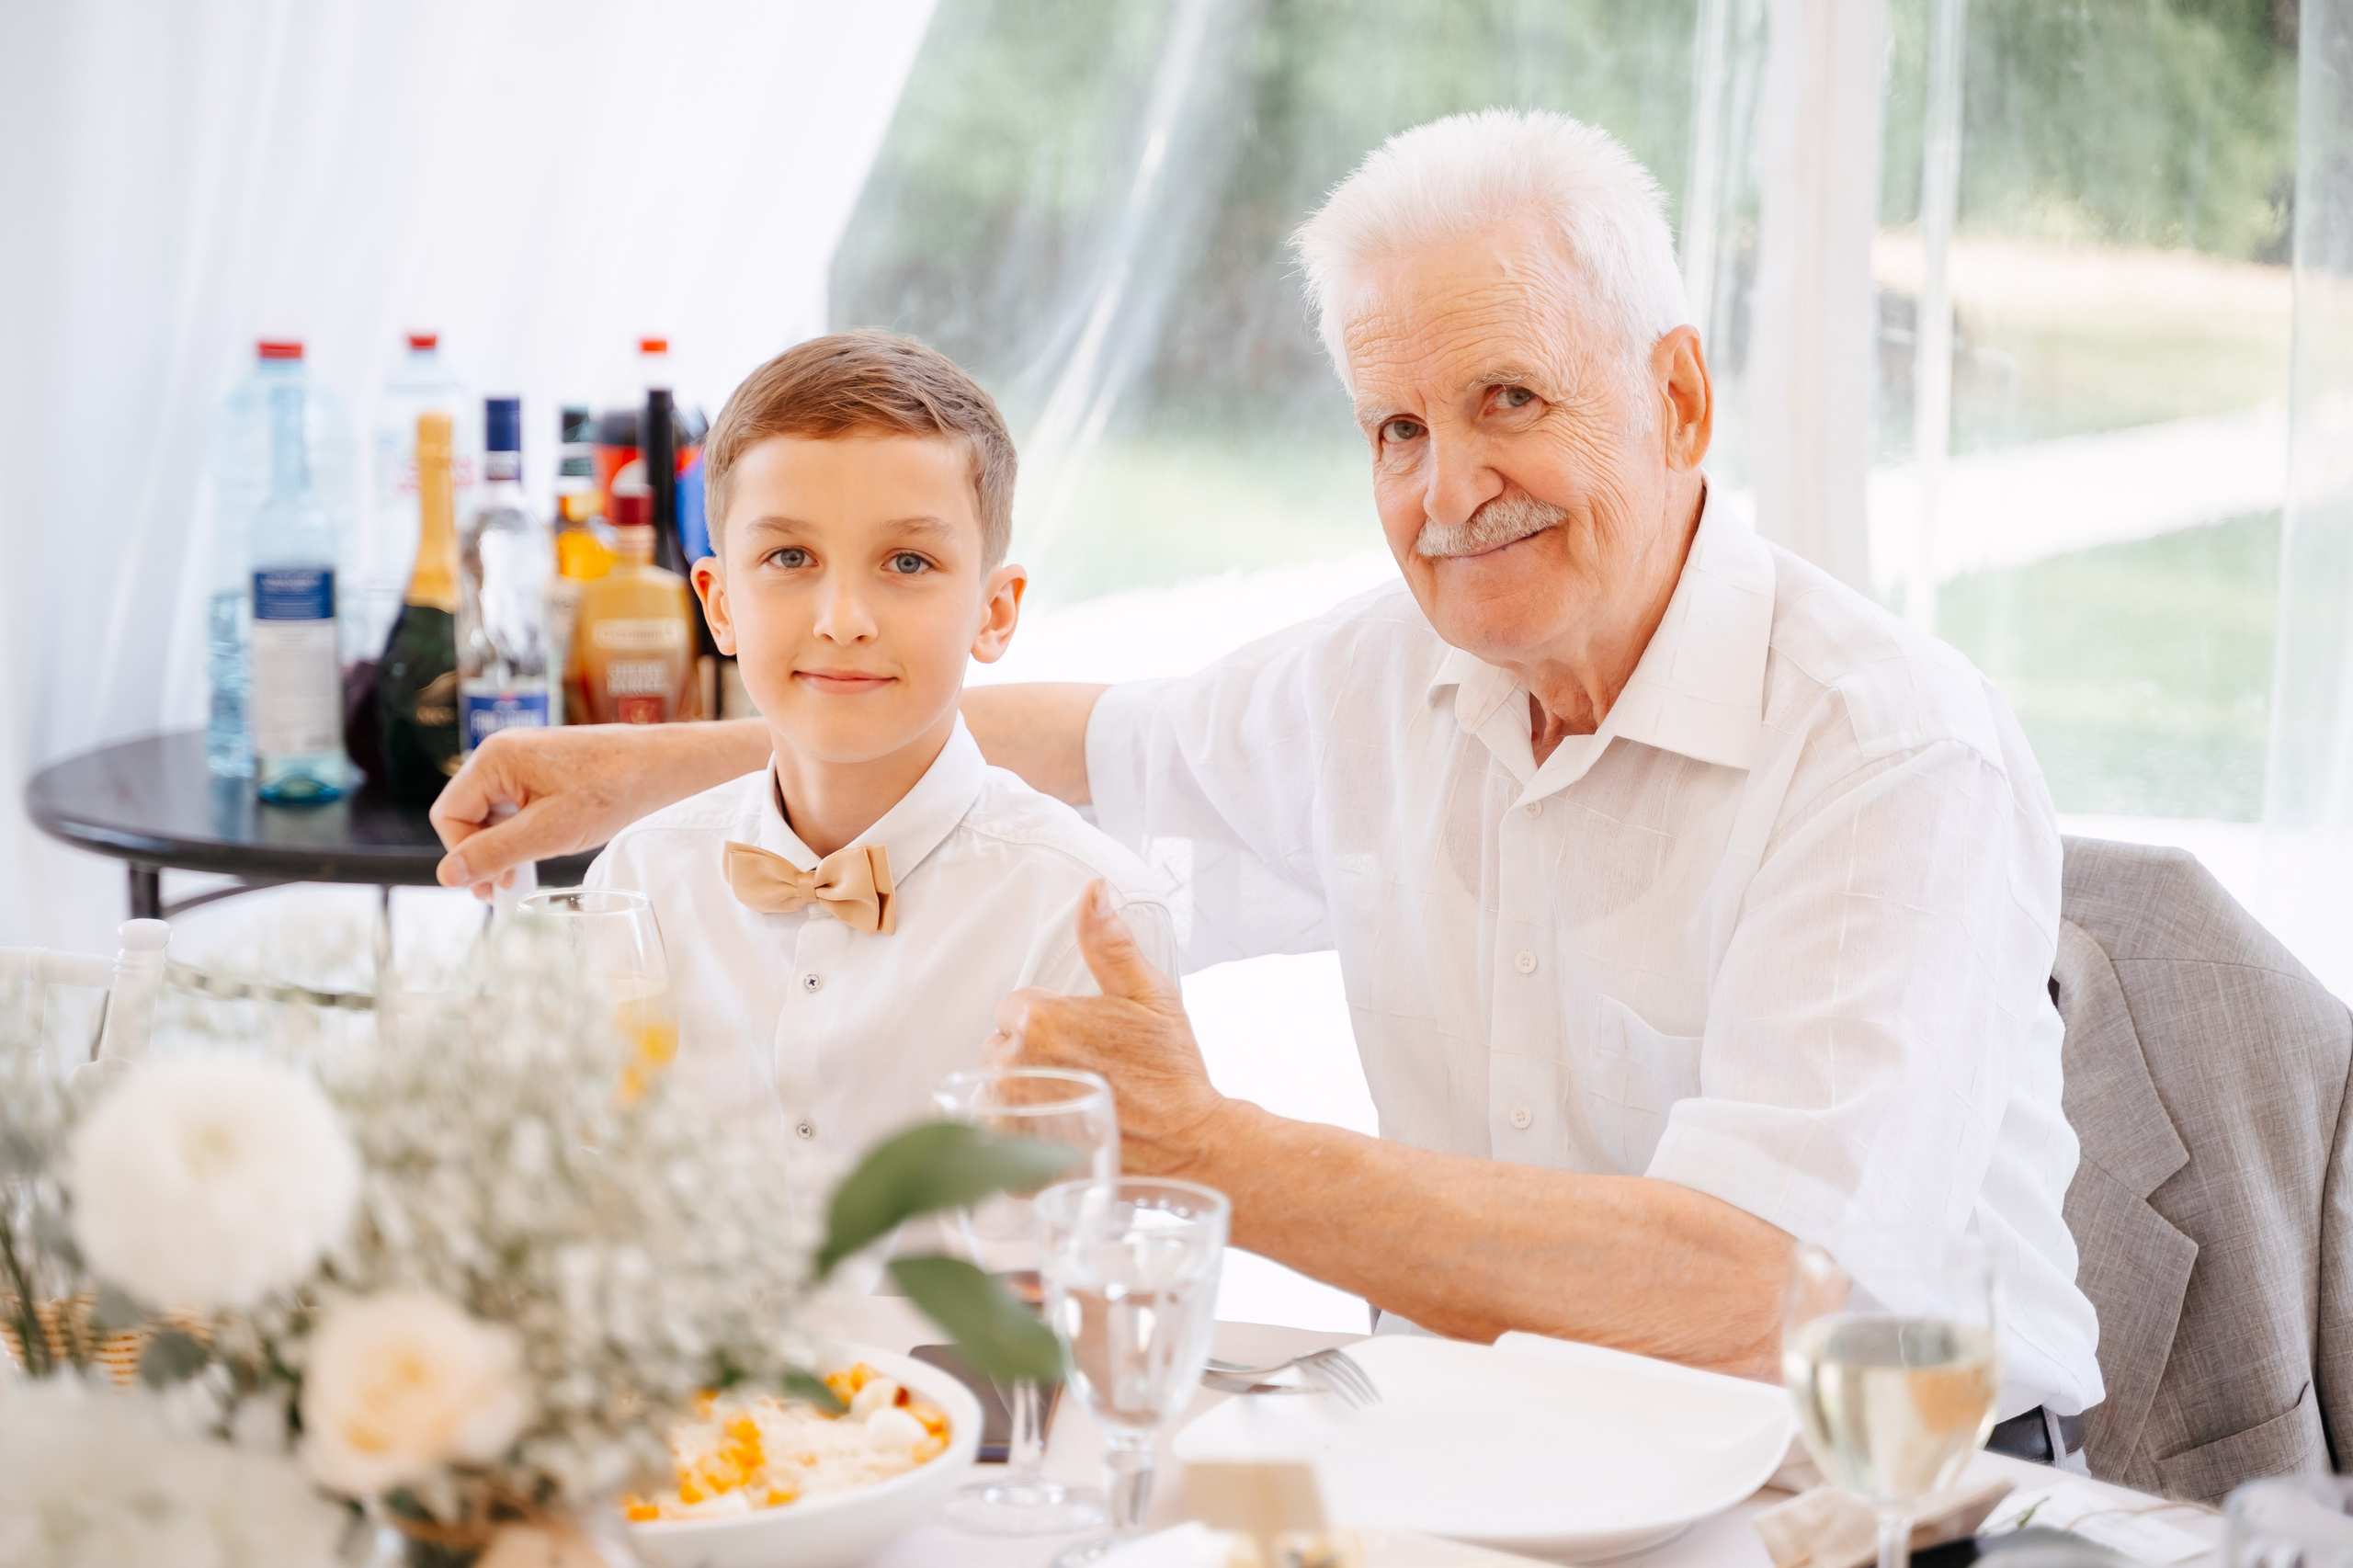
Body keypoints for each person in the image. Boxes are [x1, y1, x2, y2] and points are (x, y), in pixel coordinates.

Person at [434, 112, 2103, 1445]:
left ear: (1676, 398)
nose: (1450, 491)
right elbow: (1083, 751)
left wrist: (1212, 1149)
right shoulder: (1392, 671)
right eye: (1396, 429)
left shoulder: (1889, 752)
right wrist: (651, 772)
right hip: (1475, 1461)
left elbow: (1762, 1292)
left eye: (1509, 398)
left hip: (1864, 1496)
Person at [575, 330, 1169, 1178]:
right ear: (719, 604)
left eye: (908, 561)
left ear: (994, 612)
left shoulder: (1083, 918)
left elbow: (1095, 1237)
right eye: (790, 557)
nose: (843, 619)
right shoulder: (637, 884)